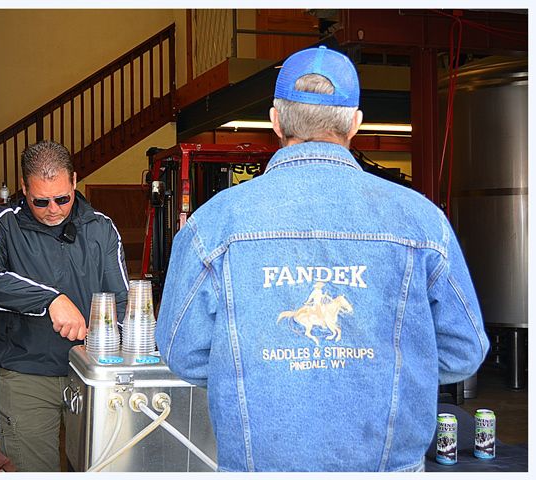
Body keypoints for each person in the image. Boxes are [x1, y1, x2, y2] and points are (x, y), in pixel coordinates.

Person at [155, 46, 489, 472]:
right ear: (355, 123)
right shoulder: (422, 221)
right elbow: (464, 350)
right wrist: (390, 371)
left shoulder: (214, 224)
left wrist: (256, 370)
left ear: (275, 120)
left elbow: (182, 352)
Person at [0, 140, 129, 472]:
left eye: (62, 198)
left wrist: (110, 343)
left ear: (73, 181)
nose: (53, 209)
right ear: (24, 188)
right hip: (27, 374)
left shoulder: (100, 227)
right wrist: (50, 300)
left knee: (100, 466)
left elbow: (122, 300)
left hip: (90, 372)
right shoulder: (1, 222)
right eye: (40, 201)